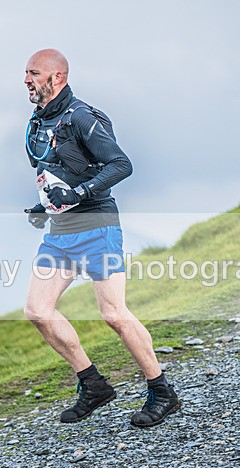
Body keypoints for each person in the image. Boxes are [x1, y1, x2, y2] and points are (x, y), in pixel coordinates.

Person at [21, 49, 180, 428]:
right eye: (26, 73)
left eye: (34, 73)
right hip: (61, 233)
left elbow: (121, 164)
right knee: (37, 311)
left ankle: (162, 392)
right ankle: (93, 385)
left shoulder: (82, 117)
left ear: (57, 77)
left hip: (98, 228)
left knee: (114, 315)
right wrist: (44, 206)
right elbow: (58, 173)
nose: (26, 80)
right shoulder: (37, 123)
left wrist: (78, 194)